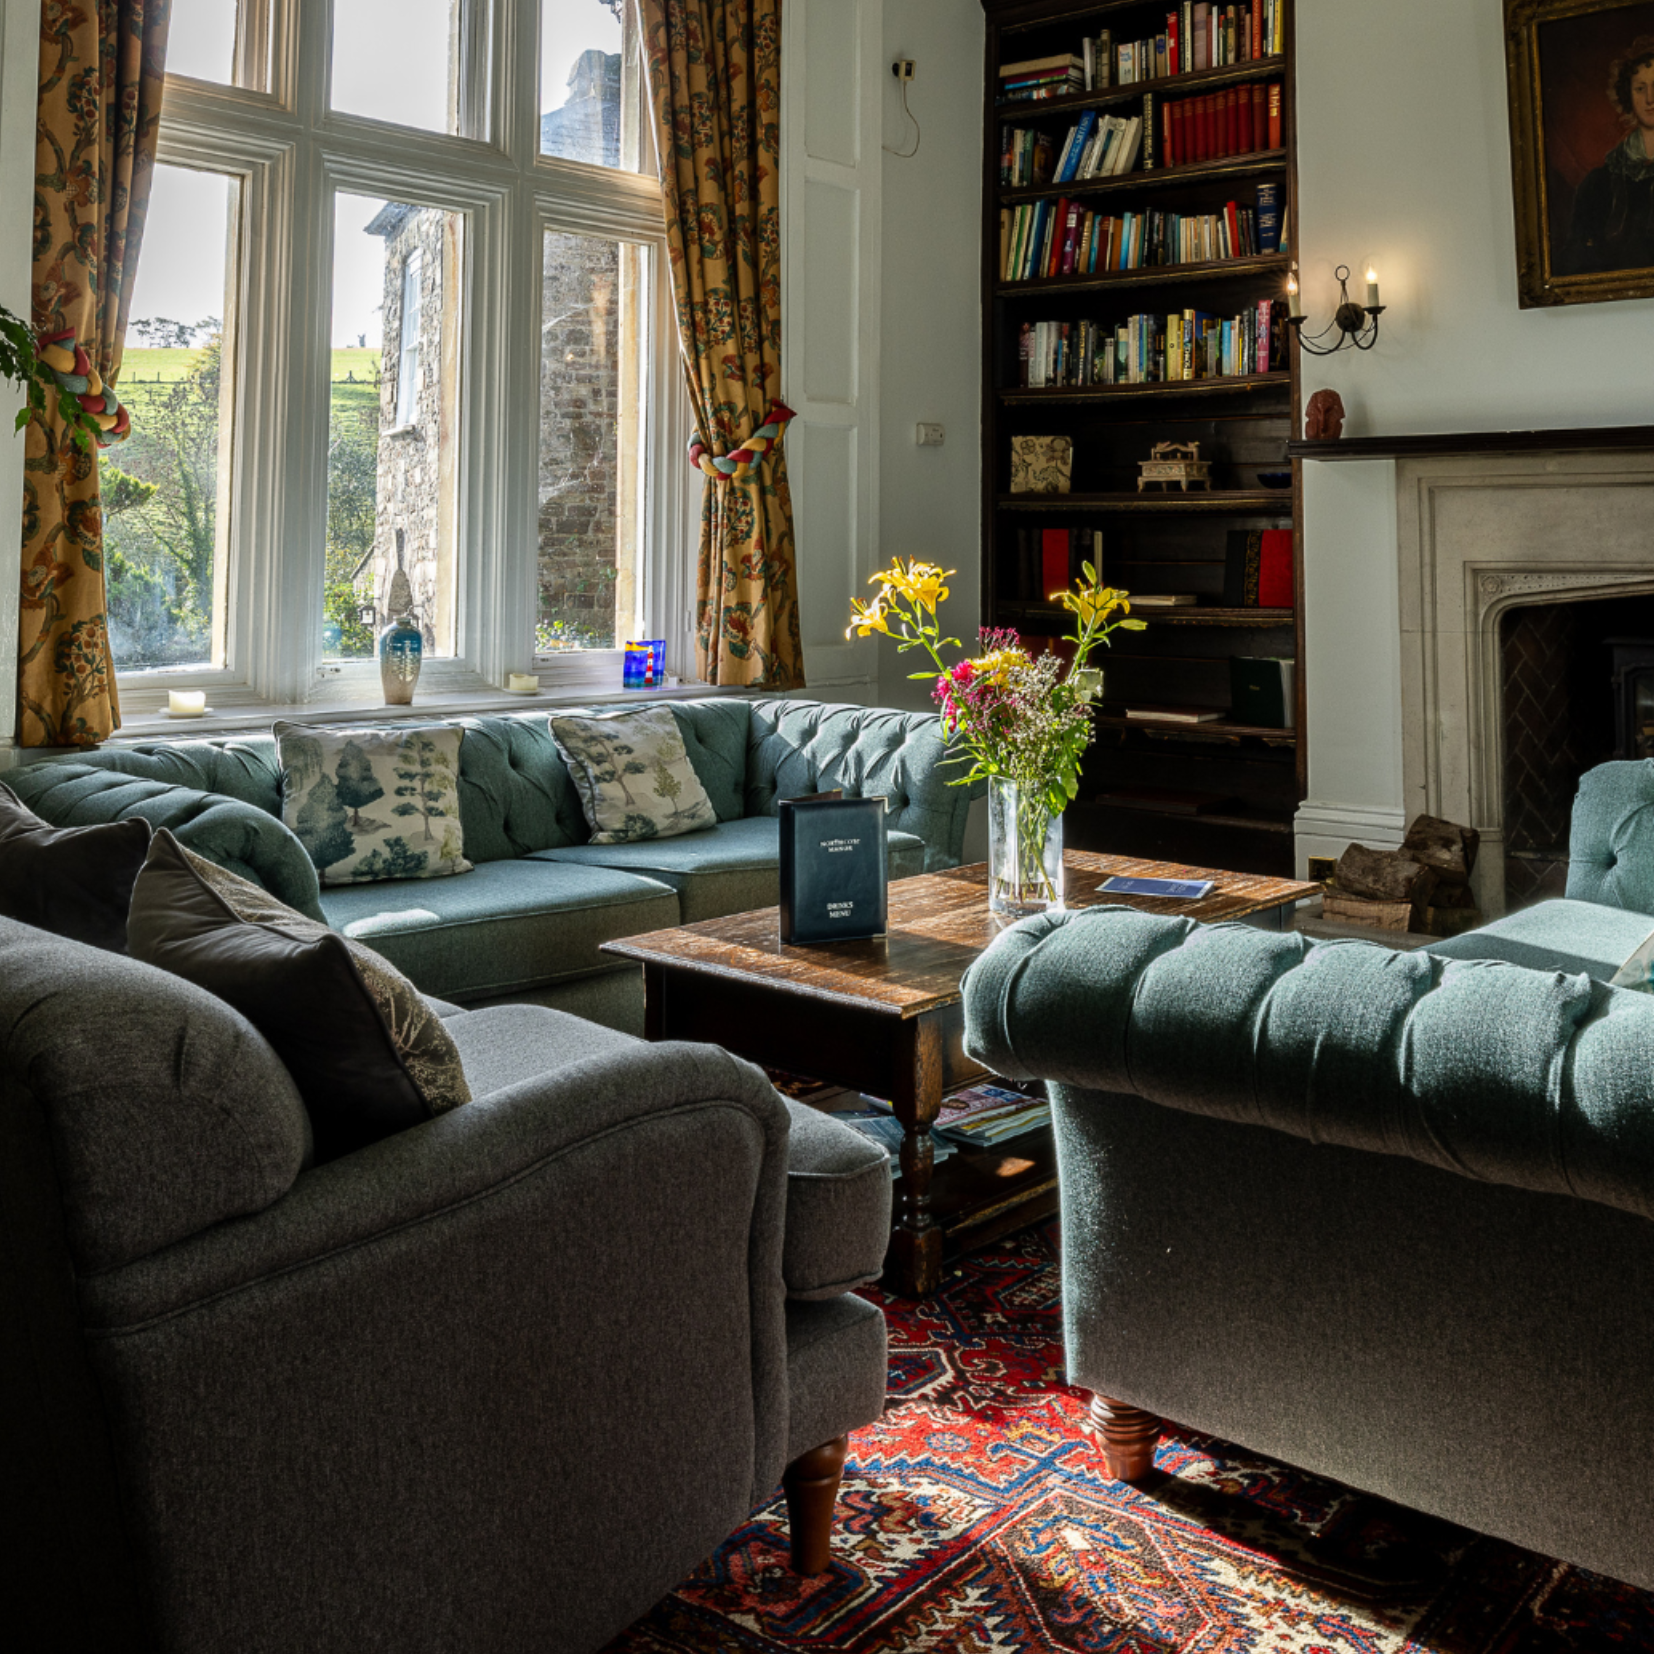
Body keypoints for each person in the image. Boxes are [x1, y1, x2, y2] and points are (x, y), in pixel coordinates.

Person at [1561, 34, 1654, 275]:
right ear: (1628, 96)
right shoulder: (1597, 184)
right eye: (1640, 89)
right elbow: (1576, 264)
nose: (1650, 99)